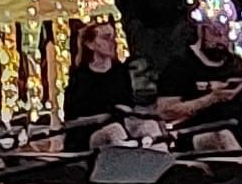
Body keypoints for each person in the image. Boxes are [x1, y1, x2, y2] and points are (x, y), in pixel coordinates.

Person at [156, 14, 242, 152]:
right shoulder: (180, 66)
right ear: (201, 31)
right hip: (197, 132)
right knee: (222, 137)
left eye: (226, 34)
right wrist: (212, 98)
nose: (221, 40)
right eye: (216, 33)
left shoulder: (238, 65)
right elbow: (165, 111)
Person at [58, 21, 164, 152]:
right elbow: (70, 121)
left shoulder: (120, 72)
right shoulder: (79, 77)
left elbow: (128, 104)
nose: (112, 42)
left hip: (122, 123)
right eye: (106, 38)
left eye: (113, 38)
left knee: (150, 127)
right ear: (90, 44)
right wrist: (100, 118)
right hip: (89, 133)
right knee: (114, 132)